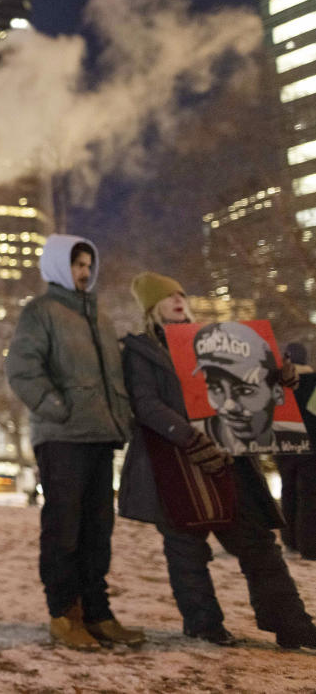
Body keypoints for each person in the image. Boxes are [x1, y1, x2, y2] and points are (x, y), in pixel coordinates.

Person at [118, 272, 316, 649]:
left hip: (231, 458)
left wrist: (281, 379)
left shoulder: (217, 340)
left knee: (258, 543)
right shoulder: (141, 350)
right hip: (174, 461)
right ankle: (203, 623)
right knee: (187, 547)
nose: (178, 299)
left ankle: (291, 623)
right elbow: (145, 404)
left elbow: (253, 385)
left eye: (181, 293)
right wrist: (190, 437)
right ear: (151, 306)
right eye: (167, 296)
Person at [5, 235, 142, 650]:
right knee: (64, 528)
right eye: (76, 264)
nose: (84, 272)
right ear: (58, 267)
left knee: (99, 530)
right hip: (62, 436)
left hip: (101, 432)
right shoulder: (41, 311)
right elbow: (22, 369)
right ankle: (64, 614)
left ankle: (97, 613)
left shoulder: (99, 316)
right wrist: (56, 406)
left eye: (87, 264)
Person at [191, 321, 306, 455]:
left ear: (277, 393)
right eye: (216, 388)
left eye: (245, 390)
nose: (229, 405)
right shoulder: (195, 437)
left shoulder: (296, 437)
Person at [278, 342, 316, 560]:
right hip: (310, 446)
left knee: (288, 490)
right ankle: (310, 546)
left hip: (284, 443)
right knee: (309, 496)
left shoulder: (279, 383)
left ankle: (289, 539)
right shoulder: (312, 381)